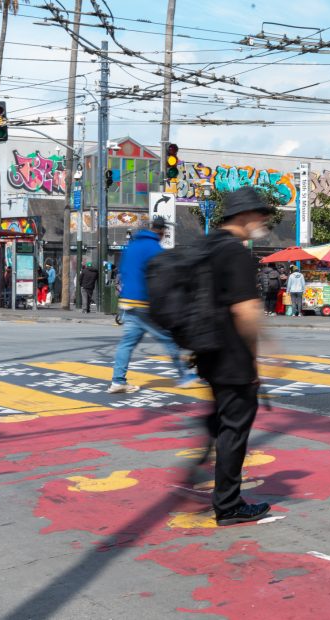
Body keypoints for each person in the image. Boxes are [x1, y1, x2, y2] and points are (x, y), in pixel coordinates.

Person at [195, 186, 272, 527]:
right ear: (243, 216)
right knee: (234, 430)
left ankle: (210, 469)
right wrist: (259, 358)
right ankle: (228, 504)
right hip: (231, 356)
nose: (263, 221)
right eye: (259, 214)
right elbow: (245, 311)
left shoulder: (209, 246)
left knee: (225, 421)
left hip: (207, 350)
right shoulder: (237, 253)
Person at [108, 217, 198, 394]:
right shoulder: (154, 248)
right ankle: (185, 375)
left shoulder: (131, 246)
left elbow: (123, 271)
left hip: (127, 301)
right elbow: (163, 277)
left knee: (127, 343)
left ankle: (118, 381)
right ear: (161, 231)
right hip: (144, 302)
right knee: (167, 337)